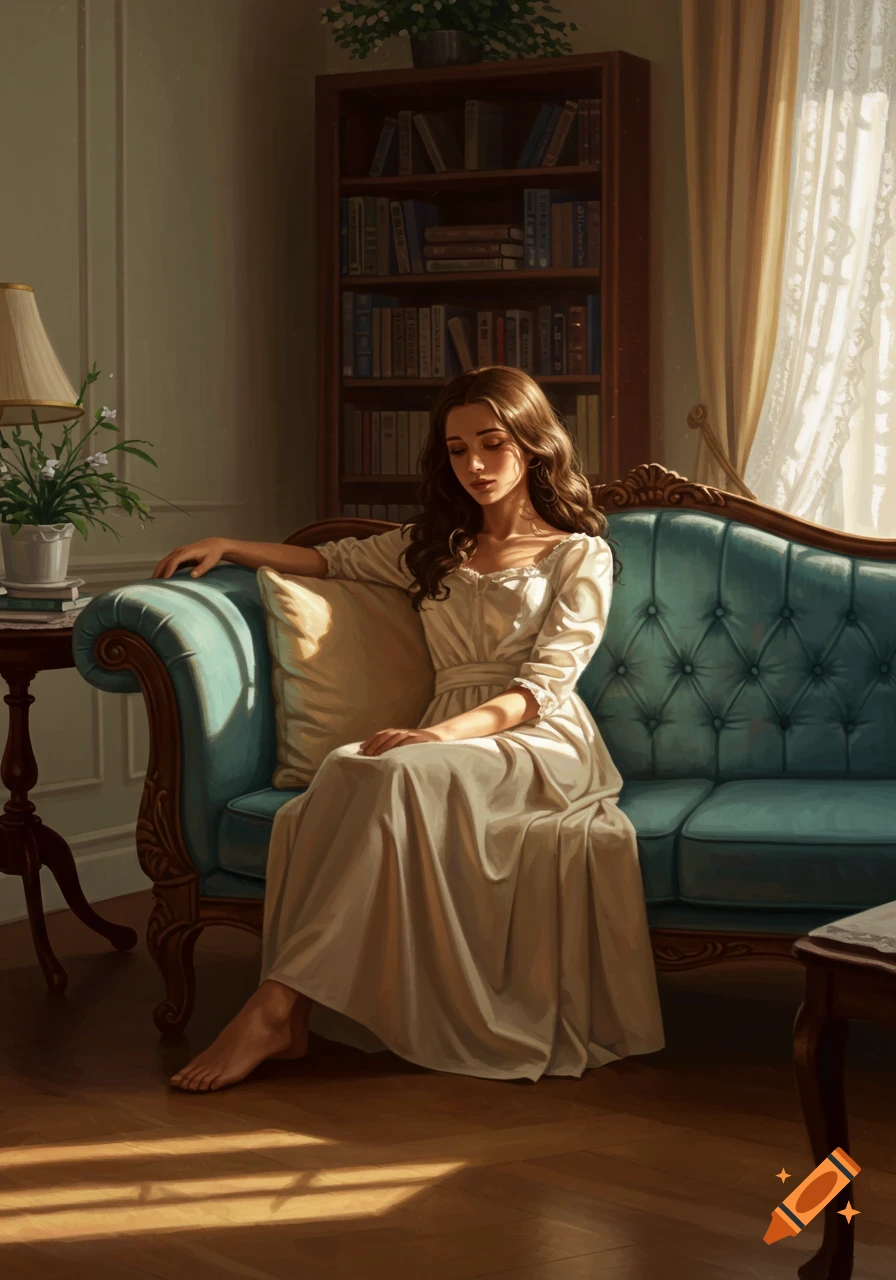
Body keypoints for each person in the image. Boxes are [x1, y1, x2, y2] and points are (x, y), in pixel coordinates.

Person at [153, 365, 665, 1093]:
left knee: (391, 767)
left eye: (492, 444)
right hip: (446, 734)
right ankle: (287, 1013)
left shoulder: (579, 552)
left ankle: (274, 1007)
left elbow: (544, 687)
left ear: (533, 444)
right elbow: (329, 560)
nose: (476, 466)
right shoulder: (434, 545)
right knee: (347, 768)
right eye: (458, 450)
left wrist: (441, 736)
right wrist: (234, 547)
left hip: (537, 738)